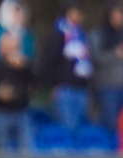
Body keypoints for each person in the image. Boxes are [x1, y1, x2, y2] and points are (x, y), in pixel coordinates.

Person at [40, 0, 93, 134]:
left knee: (81, 129)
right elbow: (49, 60)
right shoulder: (58, 33)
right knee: (66, 128)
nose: (79, 15)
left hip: (81, 87)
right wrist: (54, 84)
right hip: (64, 88)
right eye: (76, 12)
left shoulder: (82, 34)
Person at [0, 32, 35, 152]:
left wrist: (25, 68)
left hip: (21, 112)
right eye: (9, 47)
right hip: (0, 112)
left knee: (27, 150)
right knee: (1, 151)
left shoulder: (25, 66)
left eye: (15, 47)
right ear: (2, 48)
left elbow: (34, 84)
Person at [90, 1, 123, 132]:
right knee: (109, 124)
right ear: (110, 14)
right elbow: (95, 58)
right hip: (107, 87)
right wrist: (115, 54)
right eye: (119, 13)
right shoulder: (98, 34)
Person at [0, 0, 36, 65]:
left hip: (21, 72)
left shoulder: (26, 34)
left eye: (19, 12)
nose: (18, 16)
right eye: (14, 12)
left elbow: (31, 55)